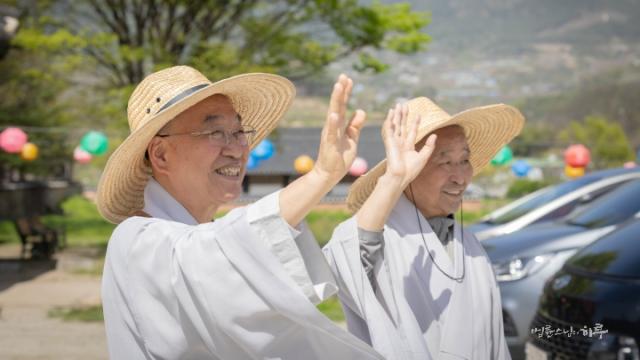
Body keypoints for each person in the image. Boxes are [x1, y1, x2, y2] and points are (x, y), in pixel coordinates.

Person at [96, 65, 382, 359]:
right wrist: (321, 176)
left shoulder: (199, 233)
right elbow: (213, 258)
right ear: (160, 154)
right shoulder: (134, 240)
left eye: (238, 131)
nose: (236, 149)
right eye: (215, 132)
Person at [324, 97, 525, 359]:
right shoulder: (381, 238)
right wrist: (393, 178)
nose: (460, 177)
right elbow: (348, 260)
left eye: (464, 160)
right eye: (444, 162)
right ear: (410, 170)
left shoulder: (470, 245)